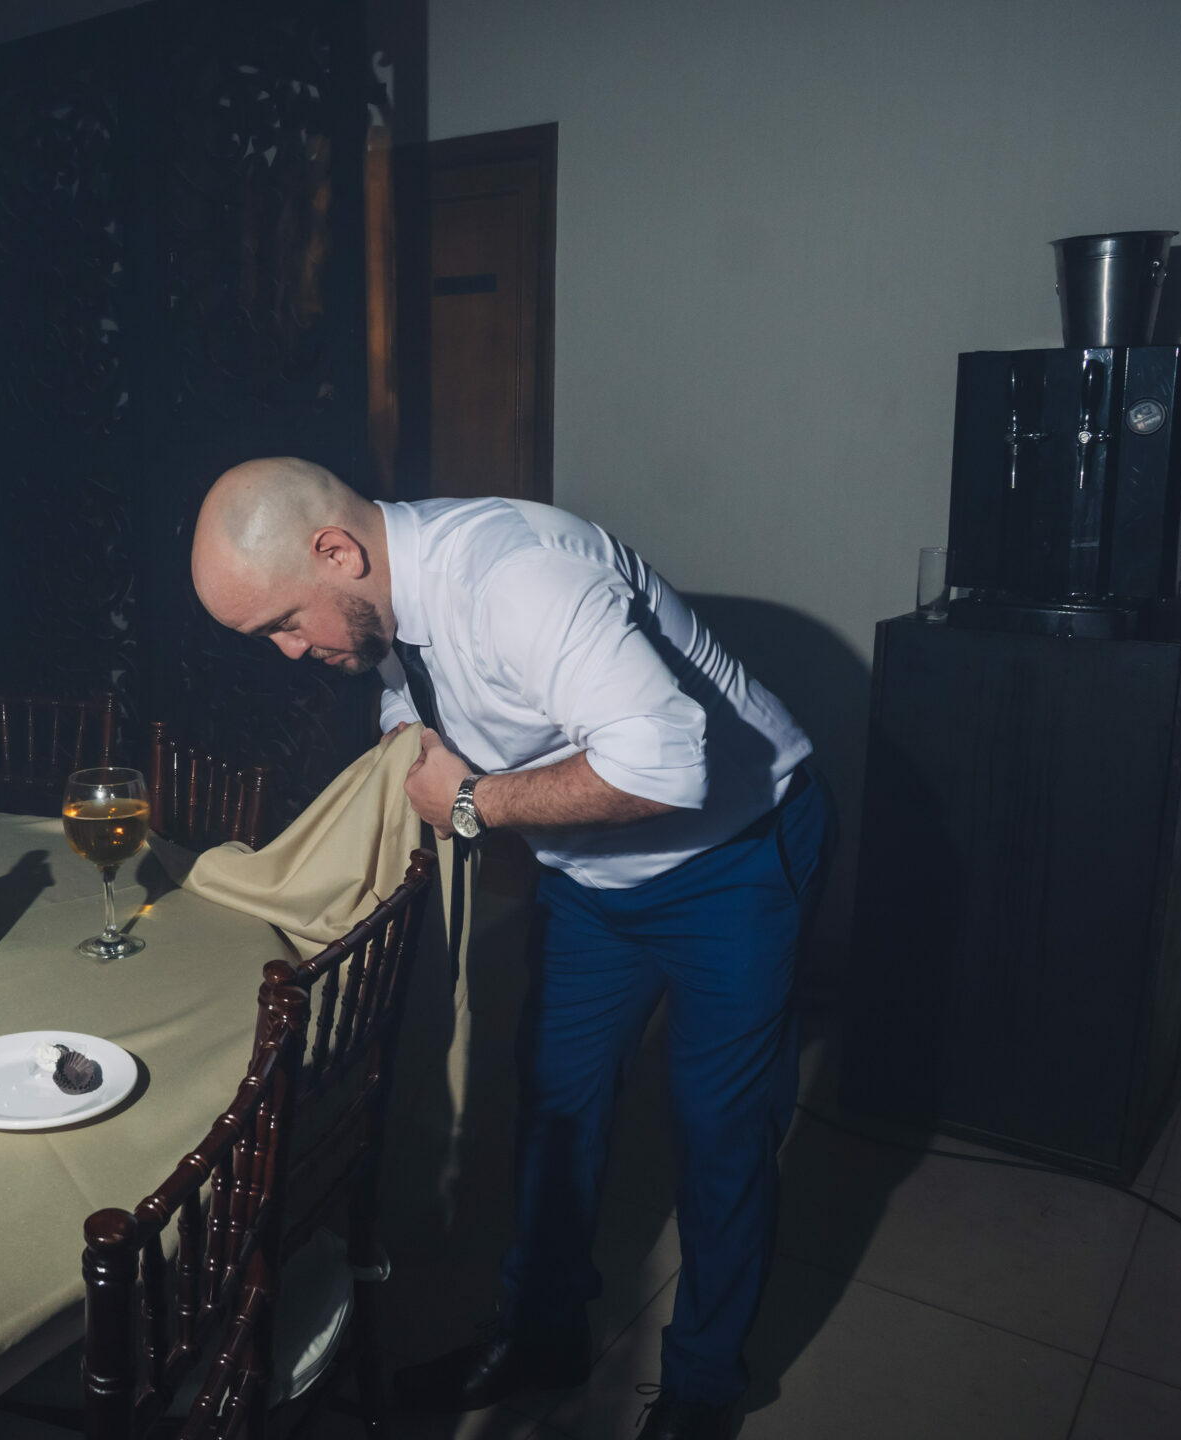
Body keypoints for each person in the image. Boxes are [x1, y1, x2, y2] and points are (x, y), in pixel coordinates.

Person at [191, 458, 829, 1440]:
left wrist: (469, 804)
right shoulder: (381, 594)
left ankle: (705, 1388)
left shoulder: (516, 577)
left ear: (336, 551)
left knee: (720, 1131)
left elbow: (668, 766)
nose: (287, 651)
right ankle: (542, 1335)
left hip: (732, 857)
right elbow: (414, 701)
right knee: (557, 1103)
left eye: (283, 622)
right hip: (591, 878)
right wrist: (414, 746)